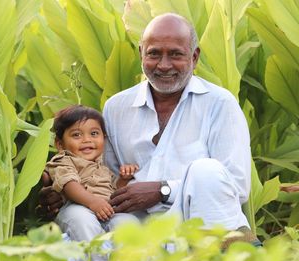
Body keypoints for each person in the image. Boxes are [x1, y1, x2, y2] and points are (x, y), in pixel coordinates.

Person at [38, 13, 257, 244]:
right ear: (142, 53)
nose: (163, 65)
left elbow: (236, 185)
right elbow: (104, 177)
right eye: (154, 54)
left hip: (198, 225)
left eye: (175, 54)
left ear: (194, 56)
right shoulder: (116, 107)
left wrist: (162, 190)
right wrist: (64, 193)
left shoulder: (220, 103)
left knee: (206, 171)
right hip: (133, 231)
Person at [46, 105, 139, 241]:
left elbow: (113, 192)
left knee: (128, 222)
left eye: (94, 133)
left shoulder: (102, 165)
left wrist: (124, 180)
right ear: (60, 144)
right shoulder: (64, 160)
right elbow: (69, 184)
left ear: (104, 138)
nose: (87, 140)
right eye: (76, 135)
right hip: (76, 208)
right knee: (82, 221)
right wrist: (93, 202)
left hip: (106, 210)